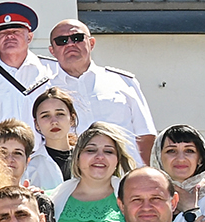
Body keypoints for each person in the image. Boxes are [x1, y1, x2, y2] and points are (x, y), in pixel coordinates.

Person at [48, 18, 155, 161]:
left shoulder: (123, 81)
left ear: (91, 43)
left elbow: (145, 134)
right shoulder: (45, 91)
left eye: (77, 38)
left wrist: (139, 172)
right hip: (74, 176)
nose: (71, 44)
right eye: (62, 41)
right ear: (52, 51)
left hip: (124, 174)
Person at [52, 120, 139, 222]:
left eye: (108, 151)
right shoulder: (53, 198)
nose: (100, 157)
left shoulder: (132, 198)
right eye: (91, 150)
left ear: (117, 159)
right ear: (77, 157)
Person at [0, 2, 54, 132]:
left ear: (30, 37)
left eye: (16, 32)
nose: (10, 36)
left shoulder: (53, 70)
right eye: (3, 33)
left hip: (46, 152)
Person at [33, 87, 79, 186]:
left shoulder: (87, 159)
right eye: (45, 116)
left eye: (60, 114)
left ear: (72, 119)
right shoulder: (30, 165)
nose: (54, 122)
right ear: (36, 124)